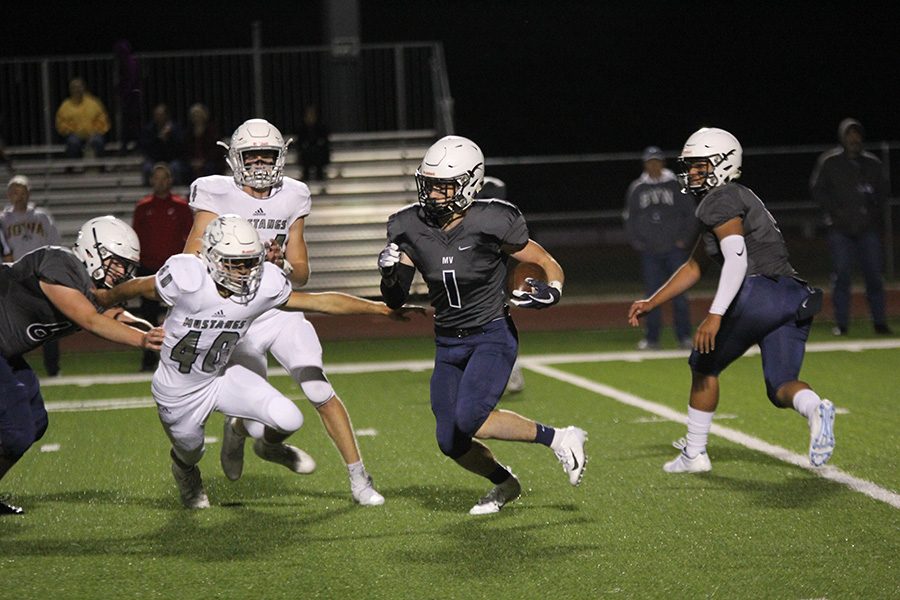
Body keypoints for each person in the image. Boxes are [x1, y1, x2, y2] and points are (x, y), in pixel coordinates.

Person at [97, 214, 421, 508]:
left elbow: (321, 302)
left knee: (289, 418)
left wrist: (382, 310)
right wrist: (106, 299)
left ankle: (241, 431)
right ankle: (185, 473)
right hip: (179, 389)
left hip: (224, 377)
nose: (243, 272)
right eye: (233, 263)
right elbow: (142, 285)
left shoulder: (263, 284)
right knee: (190, 452)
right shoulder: (187, 277)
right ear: (209, 258)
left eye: (249, 262)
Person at [377, 135, 588, 515]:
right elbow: (395, 298)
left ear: (471, 183)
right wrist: (390, 275)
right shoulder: (408, 225)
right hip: (447, 343)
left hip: (491, 334)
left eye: (444, 186)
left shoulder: (493, 219)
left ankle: (560, 438)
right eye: (429, 185)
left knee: (472, 418)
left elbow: (545, 260)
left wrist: (553, 289)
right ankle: (504, 484)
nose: (434, 195)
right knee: (450, 441)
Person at [183, 118, 388, 506]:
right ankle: (239, 431)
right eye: (252, 154)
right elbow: (190, 255)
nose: (260, 162)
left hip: (279, 308)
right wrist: (235, 256)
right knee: (256, 409)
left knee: (318, 387)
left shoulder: (293, 195)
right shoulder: (214, 192)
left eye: (267, 154)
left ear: (281, 157)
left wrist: (283, 263)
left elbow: (304, 272)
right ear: (234, 158)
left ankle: (359, 479)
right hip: (235, 315)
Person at [628, 127, 836, 474]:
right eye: (690, 166)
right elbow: (695, 266)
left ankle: (695, 454)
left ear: (723, 163)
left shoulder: (719, 199)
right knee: (780, 385)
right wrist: (653, 301)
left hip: (759, 292)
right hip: (792, 295)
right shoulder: (735, 198)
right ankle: (815, 408)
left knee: (703, 365)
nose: (692, 173)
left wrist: (715, 314)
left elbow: (737, 260)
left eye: (700, 166)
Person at [0, 216, 164, 515]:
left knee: (34, 421)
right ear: (92, 249)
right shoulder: (59, 263)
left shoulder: (89, 286)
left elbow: (113, 313)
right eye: (115, 262)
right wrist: (144, 342)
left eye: (125, 266)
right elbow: (91, 320)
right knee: (17, 430)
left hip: (5, 354)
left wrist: (152, 330)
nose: (120, 272)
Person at [809, 118, 892, 336]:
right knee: (842, 276)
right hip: (840, 230)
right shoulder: (830, 162)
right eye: (849, 134)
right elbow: (818, 190)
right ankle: (842, 323)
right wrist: (836, 213)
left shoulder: (872, 163)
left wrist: (871, 215)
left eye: (857, 134)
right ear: (842, 136)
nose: (854, 138)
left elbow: (883, 192)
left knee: (874, 276)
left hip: (867, 230)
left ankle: (880, 322)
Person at [623, 146, 698, 350]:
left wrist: (683, 239)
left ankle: (684, 336)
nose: (653, 165)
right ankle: (652, 338)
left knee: (679, 294)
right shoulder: (637, 188)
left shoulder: (676, 185)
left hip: (674, 249)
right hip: (650, 251)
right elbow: (630, 218)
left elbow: (690, 214)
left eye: (657, 161)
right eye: (650, 161)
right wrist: (638, 242)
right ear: (645, 164)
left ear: (662, 163)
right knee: (651, 295)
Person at [131, 163, 193, 372]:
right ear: (151, 181)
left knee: (181, 316)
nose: (160, 182)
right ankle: (149, 360)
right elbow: (135, 239)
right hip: (148, 268)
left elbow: (191, 237)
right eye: (156, 178)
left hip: (175, 271)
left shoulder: (181, 207)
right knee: (148, 318)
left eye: (163, 177)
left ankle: (180, 359)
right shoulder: (143, 207)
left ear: (170, 180)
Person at [2, 175, 64, 377]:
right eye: (13, 191)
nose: (17, 195)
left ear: (28, 193)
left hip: (39, 276)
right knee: (12, 325)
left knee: (50, 322)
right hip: (13, 280)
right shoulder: (3, 220)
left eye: (21, 190)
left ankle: (53, 369)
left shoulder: (42, 217)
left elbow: (55, 245)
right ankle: (16, 370)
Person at [478, 176, 526, 394]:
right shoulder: (498, 216)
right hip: (484, 279)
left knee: (494, 328)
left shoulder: (496, 220)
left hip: (487, 281)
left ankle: (511, 374)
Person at [55, 77, 110, 159]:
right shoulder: (65, 106)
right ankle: (72, 167)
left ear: (84, 88)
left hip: (93, 134)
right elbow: (61, 124)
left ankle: (101, 167)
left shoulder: (94, 103)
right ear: (70, 90)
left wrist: (95, 131)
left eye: (79, 87)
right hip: (74, 135)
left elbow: (102, 119)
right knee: (73, 142)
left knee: (98, 141)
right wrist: (74, 131)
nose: (77, 89)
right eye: (74, 87)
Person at [139, 104, 188, 186]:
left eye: (161, 115)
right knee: (147, 167)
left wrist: (170, 137)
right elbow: (146, 147)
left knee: (176, 167)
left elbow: (181, 147)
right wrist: (158, 139)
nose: (159, 117)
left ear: (166, 115)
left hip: (172, 159)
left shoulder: (175, 128)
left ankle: (175, 187)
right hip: (155, 159)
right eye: (157, 115)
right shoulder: (150, 129)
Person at [113, 39, 142, 154]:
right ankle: (128, 145)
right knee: (130, 121)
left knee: (130, 121)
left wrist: (123, 93)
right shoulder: (126, 61)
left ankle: (131, 145)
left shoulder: (129, 62)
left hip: (131, 96)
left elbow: (130, 80)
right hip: (130, 95)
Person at [185, 103, 226, 183]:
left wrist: (203, 161)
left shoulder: (213, 130)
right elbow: (186, 150)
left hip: (209, 160)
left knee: (210, 167)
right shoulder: (189, 132)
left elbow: (216, 150)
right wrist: (192, 161)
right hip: (193, 162)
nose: (197, 117)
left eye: (199, 114)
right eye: (195, 114)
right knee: (183, 168)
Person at [297, 105, 330, 182]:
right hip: (307, 151)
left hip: (319, 151)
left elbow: (324, 140)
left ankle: (320, 173)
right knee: (306, 153)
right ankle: (306, 174)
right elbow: (300, 142)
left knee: (319, 152)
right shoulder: (302, 128)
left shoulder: (322, 127)